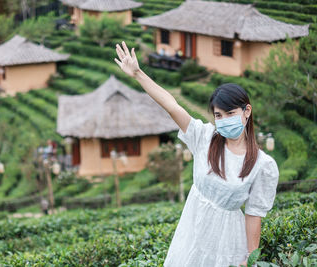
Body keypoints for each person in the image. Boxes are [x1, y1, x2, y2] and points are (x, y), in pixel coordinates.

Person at [114, 41, 279, 267]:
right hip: (191, 233)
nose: (223, 120)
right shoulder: (205, 138)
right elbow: (172, 106)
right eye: (218, 115)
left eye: (229, 113)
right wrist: (138, 74)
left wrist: (251, 259)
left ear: (246, 111)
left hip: (227, 243)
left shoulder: (262, 165)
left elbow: (254, 215)